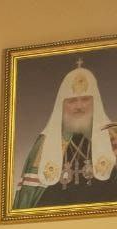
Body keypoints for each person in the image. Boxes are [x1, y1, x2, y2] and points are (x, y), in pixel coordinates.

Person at [13, 60, 116, 209]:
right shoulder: (44, 143)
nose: (79, 106)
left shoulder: (113, 137)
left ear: (95, 102)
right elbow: (27, 201)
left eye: (85, 99)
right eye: (72, 101)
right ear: (61, 104)